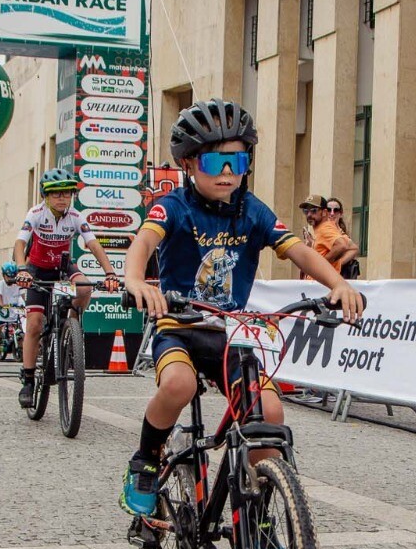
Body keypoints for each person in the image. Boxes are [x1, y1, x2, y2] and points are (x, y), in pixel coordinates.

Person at [120, 99, 363, 516]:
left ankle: (257, 520)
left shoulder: (253, 211)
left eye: (239, 160)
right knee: (179, 385)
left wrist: (339, 284)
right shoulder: (173, 206)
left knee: (270, 412)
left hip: (229, 332)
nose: (229, 172)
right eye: (216, 161)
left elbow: (300, 252)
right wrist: (136, 280)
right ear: (189, 164)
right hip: (178, 325)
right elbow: (144, 242)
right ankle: (145, 460)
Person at [13, 169, 122, 407]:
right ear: (46, 196)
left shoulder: (75, 216)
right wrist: (22, 269)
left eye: (67, 194)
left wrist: (110, 273)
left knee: (84, 288)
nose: (62, 198)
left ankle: (70, 325)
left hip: (62, 268)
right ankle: (28, 380)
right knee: (34, 324)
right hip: (37, 270)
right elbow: (20, 243)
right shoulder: (36, 213)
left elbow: (93, 244)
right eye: (56, 194)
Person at [298, 194, 359, 279]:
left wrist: (324, 264)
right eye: (305, 211)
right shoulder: (323, 229)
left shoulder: (325, 229)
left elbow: (342, 245)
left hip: (320, 283)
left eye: (314, 211)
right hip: (316, 282)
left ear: (324, 212)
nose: (309, 215)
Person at [0, 262, 24, 360]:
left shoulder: (18, 285)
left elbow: (23, 295)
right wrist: (1, 304)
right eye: (8, 276)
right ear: (3, 275)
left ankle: (20, 348)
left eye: (13, 276)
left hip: (14, 310)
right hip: (2, 311)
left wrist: (25, 304)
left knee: (20, 329)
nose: (11, 279)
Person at [324, 197, 360, 279]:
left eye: (336, 210)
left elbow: (354, 249)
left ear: (340, 214)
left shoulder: (341, 235)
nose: (332, 213)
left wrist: (337, 264)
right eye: (329, 210)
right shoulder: (322, 231)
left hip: (338, 278)